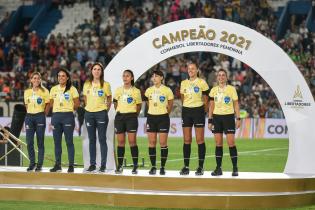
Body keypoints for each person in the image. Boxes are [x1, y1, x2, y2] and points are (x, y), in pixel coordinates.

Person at [208, 68, 241, 176]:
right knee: (218, 144)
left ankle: (235, 168)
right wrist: (210, 120)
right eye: (219, 75)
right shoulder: (213, 90)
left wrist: (238, 118)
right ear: (217, 78)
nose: (221, 77)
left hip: (228, 118)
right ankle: (218, 168)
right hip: (217, 118)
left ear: (226, 78)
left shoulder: (231, 89)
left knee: (231, 143)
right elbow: (211, 106)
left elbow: (236, 104)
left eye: (223, 75)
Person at [179, 62, 209, 176]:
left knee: (199, 140)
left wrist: (203, 110)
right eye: (189, 69)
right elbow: (182, 98)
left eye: (193, 69)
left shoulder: (202, 82)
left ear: (197, 70)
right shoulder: (183, 83)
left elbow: (206, 98)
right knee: (187, 140)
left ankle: (200, 167)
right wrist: (187, 105)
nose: (190, 70)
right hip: (186, 111)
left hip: (198, 111)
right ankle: (186, 166)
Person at [49, 68, 80, 173]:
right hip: (56, 117)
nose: (60, 78)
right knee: (57, 142)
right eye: (59, 76)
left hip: (68, 116)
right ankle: (58, 165)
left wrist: (68, 109)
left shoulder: (72, 89)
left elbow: (77, 104)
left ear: (67, 78)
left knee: (69, 142)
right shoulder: (53, 89)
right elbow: (51, 103)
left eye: (63, 76)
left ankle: (71, 166)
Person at [83, 62, 112, 172]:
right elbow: (85, 98)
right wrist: (88, 107)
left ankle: (103, 165)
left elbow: (109, 98)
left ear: (101, 71)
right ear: (91, 71)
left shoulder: (106, 84)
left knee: (102, 139)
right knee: (91, 139)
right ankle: (92, 164)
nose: (96, 71)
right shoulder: (87, 84)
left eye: (99, 69)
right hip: (89, 114)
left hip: (101, 114)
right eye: (94, 69)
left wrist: (105, 109)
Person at [144, 70, 174, 175]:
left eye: (156, 76)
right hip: (151, 118)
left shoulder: (167, 90)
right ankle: (153, 167)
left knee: (163, 143)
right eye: (153, 76)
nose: (154, 78)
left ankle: (162, 167)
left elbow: (170, 104)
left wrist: (165, 113)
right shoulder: (148, 90)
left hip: (163, 118)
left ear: (161, 78)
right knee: (151, 143)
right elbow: (147, 102)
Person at [113, 70, 142, 174]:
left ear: (132, 78)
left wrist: (133, 115)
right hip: (119, 117)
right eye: (124, 76)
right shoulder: (118, 90)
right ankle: (120, 166)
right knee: (120, 142)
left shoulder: (136, 91)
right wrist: (120, 111)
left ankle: (135, 166)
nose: (125, 78)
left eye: (128, 76)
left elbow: (139, 106)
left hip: (131, 117)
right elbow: (115, 102)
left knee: (132, 142)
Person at [24, 72, 50, 172]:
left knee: (40, 141)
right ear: (31, 80)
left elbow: (48, 104)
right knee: (29, 142)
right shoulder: (27, 92)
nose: (36, 80)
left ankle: (39, 165)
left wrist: (44, 114)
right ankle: (32, 163)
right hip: (29, 117)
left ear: (40, 80)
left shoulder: (45, 91)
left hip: (40, 116)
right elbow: (26, 105)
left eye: (38, 78)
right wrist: (30, 113)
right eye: (34, 78)